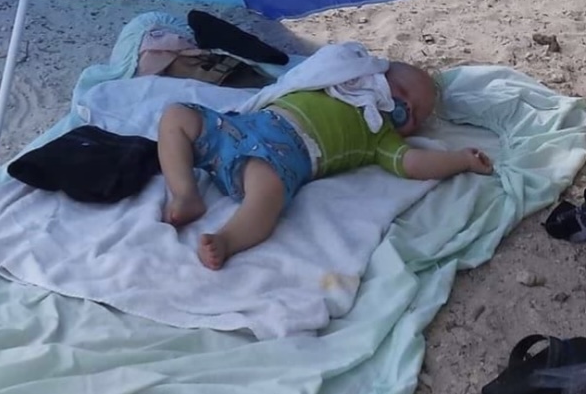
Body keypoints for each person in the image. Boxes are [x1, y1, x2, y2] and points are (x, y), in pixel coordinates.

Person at [158, 59, 493, 270]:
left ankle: (228, 239)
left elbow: (413, 162)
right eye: (400, 89)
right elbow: (326, 61)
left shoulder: (378, 135)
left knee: (268, 192)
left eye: (414, 113)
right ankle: (185, 192)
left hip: (275, 160)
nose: (403, 104)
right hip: (236, 130)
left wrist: (459, 159)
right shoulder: (332, 82)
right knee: (177, 115)